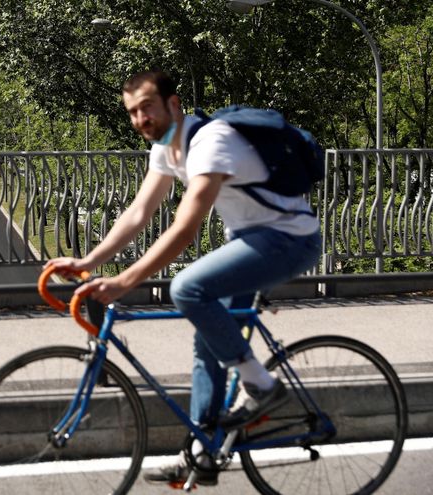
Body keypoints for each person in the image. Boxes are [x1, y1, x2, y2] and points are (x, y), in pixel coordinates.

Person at [45, 69, 321, 486]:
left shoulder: (211, 141)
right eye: (133, 112)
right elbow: (139, 213)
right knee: (206, 340)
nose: (140, 119)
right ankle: (200, 453)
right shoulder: (166, 150)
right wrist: (89, 261)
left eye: (147, 107)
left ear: (173, 104)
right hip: (249, 242)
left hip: (288, 240)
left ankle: (261, 384)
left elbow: (185, 227)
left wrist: (124, 282)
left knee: (187, 288)